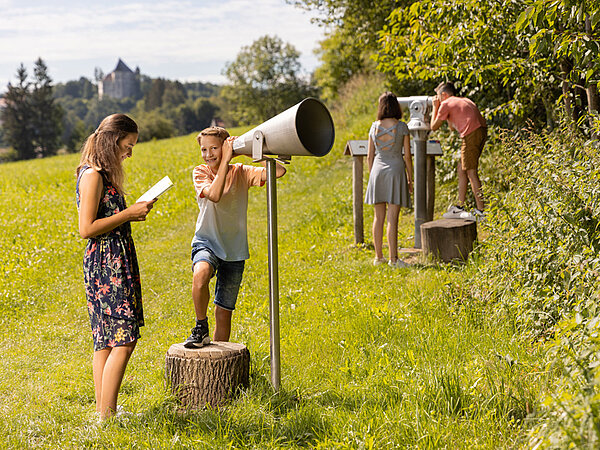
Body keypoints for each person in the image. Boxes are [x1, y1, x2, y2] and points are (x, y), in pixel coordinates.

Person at [75, 114, 156, 421]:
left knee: (107, 339)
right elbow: (86, 228)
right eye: (128, 144)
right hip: (106, 263)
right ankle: (107, 416)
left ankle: (104, 412)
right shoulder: (93, 174)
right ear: (113, 139)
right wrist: (129, 214)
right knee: (124, 337)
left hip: (114, 258)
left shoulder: (103, 173)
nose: (130, 152)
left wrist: (133, 211)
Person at [184, 126, 287, 348]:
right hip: (207, 241)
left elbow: (278, 171)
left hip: (234, 249)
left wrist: (248, 152)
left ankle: (218, 359)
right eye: (204, 149)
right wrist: (224, 162)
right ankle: (200, 326)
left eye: (214, 148)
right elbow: (214, 194)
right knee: (200, 275)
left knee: (224, 313)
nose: (208, 154)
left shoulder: (241, 171)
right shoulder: (200, 172)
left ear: (226, 148)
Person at [365, 92, 414, 268]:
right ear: (396, 106)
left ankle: (379, 258)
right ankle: (394, 260)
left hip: (377, 171)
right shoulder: (402, 127)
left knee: (378, 217)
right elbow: (407, 156)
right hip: (395, 170)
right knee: (392, 218)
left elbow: (369, 156)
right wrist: (410, 179)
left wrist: (372, 176)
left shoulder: (373, 127)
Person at [430, 82, 487, 220]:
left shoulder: (446, 103)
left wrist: (435, 107)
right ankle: (459, 206)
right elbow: (451, 127)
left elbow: (433, 127)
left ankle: (481, 211)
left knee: (471, 172)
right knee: (462, 168)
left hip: (471, 133)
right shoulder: (460, 101)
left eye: (438, 96)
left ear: (444, 95)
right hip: (481, 131)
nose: (436, 99)